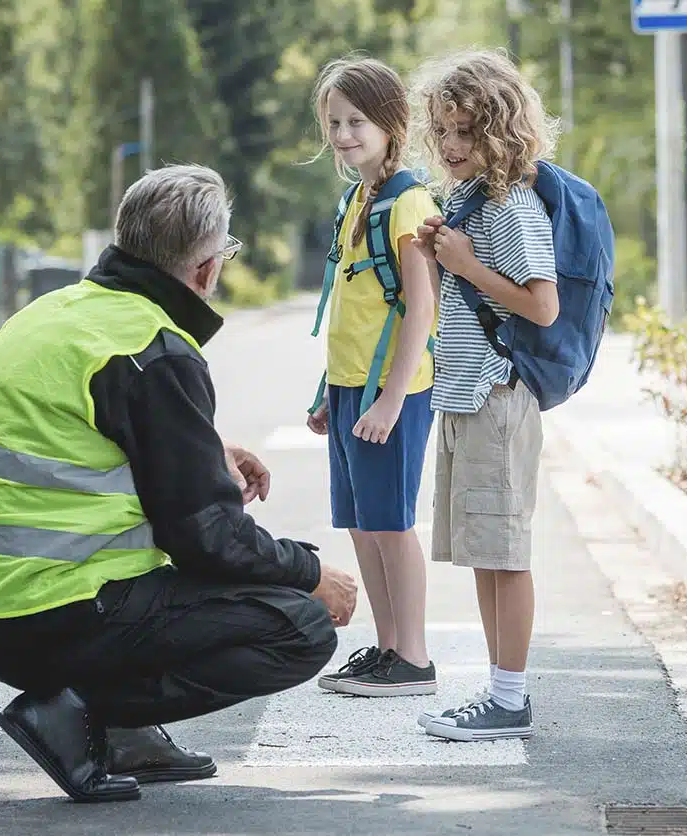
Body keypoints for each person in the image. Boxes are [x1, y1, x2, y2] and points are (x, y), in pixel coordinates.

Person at [0, 163, 359, 803]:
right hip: (61, 613)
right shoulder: (152, 350)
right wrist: (308, 573)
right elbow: (205, 538)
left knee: (221, 598)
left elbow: (74, 431)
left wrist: (205, 445)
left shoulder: (46, 317)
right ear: (205, 269)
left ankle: (127, 732)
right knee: (298, 628)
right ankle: (82, 710)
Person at [407, 50, 560, 741]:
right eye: (441, 132)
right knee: (483, 549)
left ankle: (511, 698)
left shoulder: (512, 205)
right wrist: (441, 255)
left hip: (497, 396)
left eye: (466, 131)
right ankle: (501, 690)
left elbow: (543, 307)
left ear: (502, 130)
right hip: (465, 397)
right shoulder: (468, 201)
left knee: (506, 550)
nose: (450, 146)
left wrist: (466, 263)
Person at [304, 57, 442, 697]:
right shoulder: (357, 198)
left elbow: (421, 310)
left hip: (395, 391)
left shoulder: (408, 204)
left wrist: (388, 399)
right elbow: (353, 307)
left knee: (390, 521)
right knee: (361, 520)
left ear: (391, 124)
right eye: (333, 122)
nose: (343, 134)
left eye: (357, 120)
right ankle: (386, 647)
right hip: (350, 388)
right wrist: (329, 393)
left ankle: (412, 657)